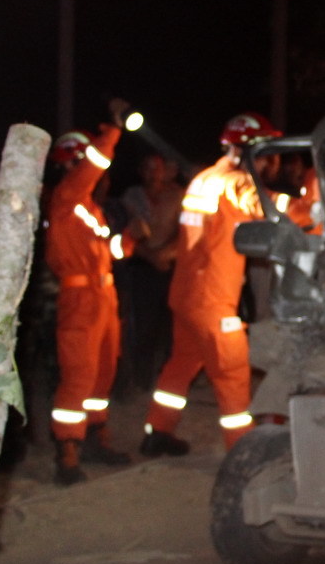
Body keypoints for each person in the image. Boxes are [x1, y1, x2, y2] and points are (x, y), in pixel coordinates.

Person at [142, 111, 282, 456]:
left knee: (181, 364)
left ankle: (157, 431)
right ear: (251, 150)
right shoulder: (236, 183)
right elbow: (271, 211)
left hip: (187, 294)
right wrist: (314, 209)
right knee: (232, 373)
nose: (270, 161)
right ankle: (243, 451)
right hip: (213, 300)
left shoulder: (204, 178)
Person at [45, 99, 141, 484]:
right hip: (80, 300)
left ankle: (96, 438)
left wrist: (127, 243)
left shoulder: (88, 208)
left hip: (103, 296)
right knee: (79, 376)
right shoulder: (66, 199)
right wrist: (112, 131)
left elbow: (106, 251)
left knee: (103, 372)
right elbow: (95, 165)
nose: (100, 174)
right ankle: (67, 450)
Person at [115, 152, 184, 394]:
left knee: (172, 327)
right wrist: (149, 255)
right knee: (142, 326)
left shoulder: (177, 195)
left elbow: (183, 229)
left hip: (170, 266)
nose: (152, 172)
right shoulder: (131, 196)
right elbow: (125, 231)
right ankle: (141, 379)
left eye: (156, 168)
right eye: (146, 167)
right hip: (142, 268)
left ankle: (169, 382)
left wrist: (166, 254)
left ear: (164, 170)